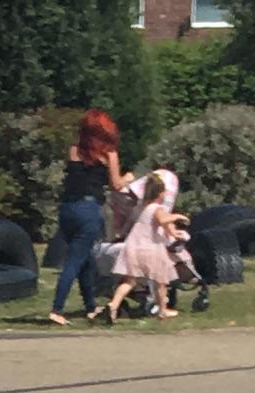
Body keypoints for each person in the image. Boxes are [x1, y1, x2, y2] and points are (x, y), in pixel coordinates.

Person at [48, 114, 123, 324]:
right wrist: (128, 178)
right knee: (74, 261)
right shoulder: (108, 154)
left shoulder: (74, 151)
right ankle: (57, 309)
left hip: (67, 208)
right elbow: (116, 184)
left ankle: (90, 306)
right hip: (88, 209)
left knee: (86, 259)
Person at [103, 169, 192, 324]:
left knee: (130, 281)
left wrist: (174, 233)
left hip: (133, 247)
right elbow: (164, 220)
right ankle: (162, 310)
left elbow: (165, 227)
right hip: (150, 249)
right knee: (160, 282)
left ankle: (114, 304)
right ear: (161, 194)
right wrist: (177, 216)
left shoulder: (142, 208)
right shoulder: (157, 209)